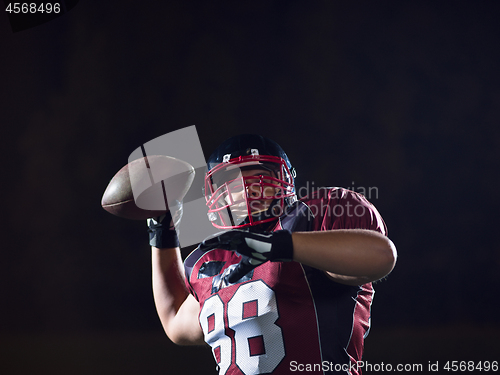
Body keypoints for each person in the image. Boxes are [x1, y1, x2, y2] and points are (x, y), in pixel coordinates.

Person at [147, 134, 397, 375]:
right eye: (232, 182)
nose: (247, 189)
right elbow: (176, 319)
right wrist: (163, 236)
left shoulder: (310, 218)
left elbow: (380, 256)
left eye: (259, 176)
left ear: (284, 179)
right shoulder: (213, 258)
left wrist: (278, 246)